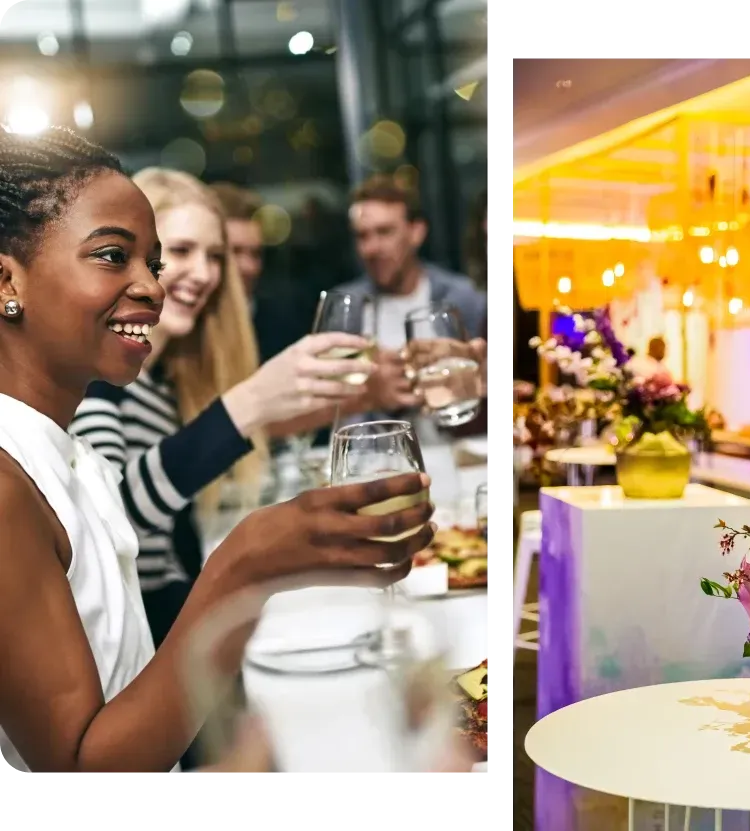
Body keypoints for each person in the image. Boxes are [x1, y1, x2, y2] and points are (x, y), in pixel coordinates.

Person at [0, 126, 434, 774]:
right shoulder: (8, 482)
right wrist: (244, 566)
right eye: (115, 256)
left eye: (154, 263)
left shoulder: (70, 455)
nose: (152, 286)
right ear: (8, 280)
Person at [69, 168, 383, 649]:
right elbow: (112, 522)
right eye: (180, 251)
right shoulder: (97, 377)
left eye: (215, 257)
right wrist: (247, 403)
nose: (205, 273)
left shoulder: (157, 376)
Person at [339, 176, 487, 418]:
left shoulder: (465, 298)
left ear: (416, 232)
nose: (371, 248)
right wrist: (366, 390)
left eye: (385, 232)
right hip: (375, 448)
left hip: (455, 446)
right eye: (362, 236)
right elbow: (322, 402)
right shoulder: (346, 307)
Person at [209, 181, 315, 365]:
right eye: (235, 251)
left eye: (255, 254)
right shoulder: (182, 326)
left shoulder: (284, 324)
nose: (250, 267)